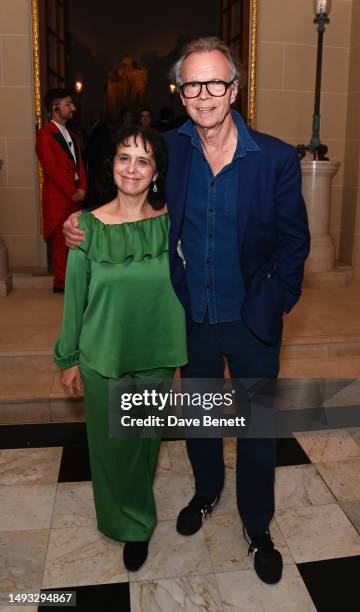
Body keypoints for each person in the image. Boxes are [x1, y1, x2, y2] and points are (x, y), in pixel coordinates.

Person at [63, 37, 310, 585]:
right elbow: (128, 197)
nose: (203, 95)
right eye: (192, 84)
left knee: (254, 429)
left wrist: (271, 303)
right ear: (182, 90)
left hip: (252, 322)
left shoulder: (273, 157)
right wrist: (77, 223)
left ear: (235, 89)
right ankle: (205, 493)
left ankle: (257, 524)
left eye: (215, 83)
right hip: (190, 320)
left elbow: (295, 244)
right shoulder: (171, 152)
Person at [55, 126, 187, 571]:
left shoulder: (173, 223)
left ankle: (137, 516)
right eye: (124, 157)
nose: (132, 167)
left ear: (155, 172)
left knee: (143, 442)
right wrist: (68, 357)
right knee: (111, 445)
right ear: (112, 166)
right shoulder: (85, 227)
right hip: (102, 353)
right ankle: (127, 523)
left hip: (157, 352)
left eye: (143, 160)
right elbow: (75, 296)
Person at [36, 89, 86, 292]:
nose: (73, 108)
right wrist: (70, 190)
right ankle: (61, 282)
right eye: (68, 104)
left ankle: (72, 279)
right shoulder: (44, 134)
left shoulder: (72, 136)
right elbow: (51, 168)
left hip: (74, 193)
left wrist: (82, 187)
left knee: (75, 238)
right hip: (58, 195)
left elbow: (80, 164)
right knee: (60, 241)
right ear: (56, 108)